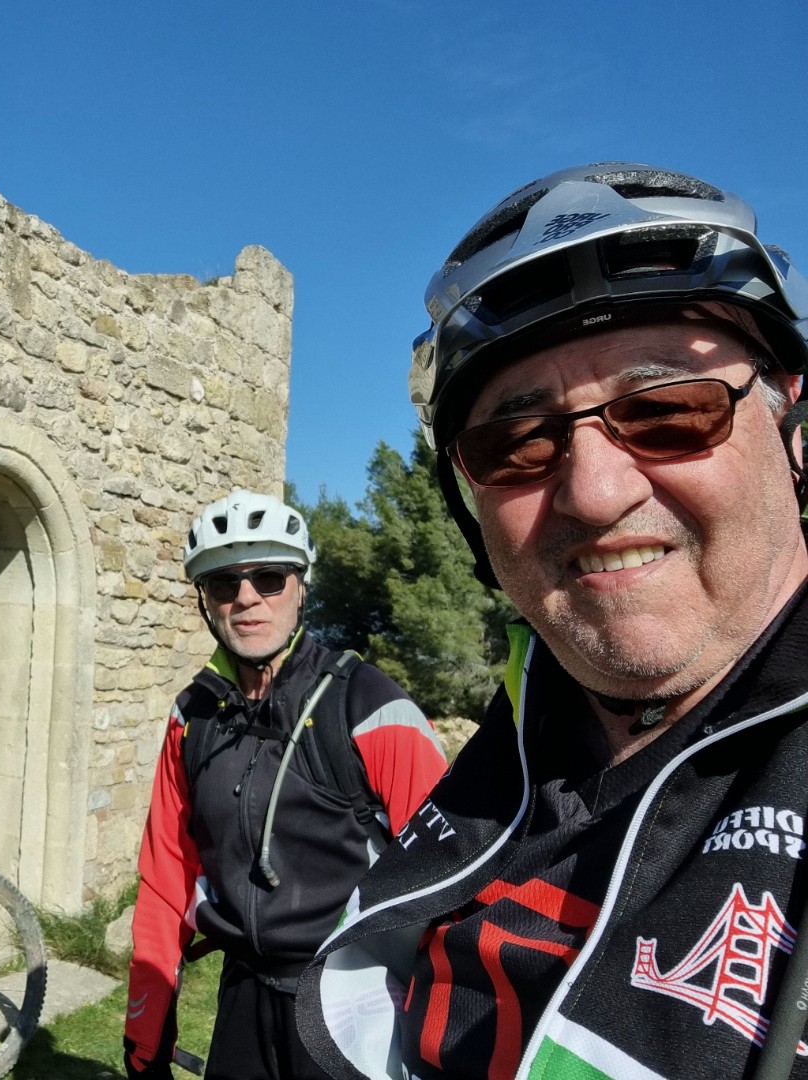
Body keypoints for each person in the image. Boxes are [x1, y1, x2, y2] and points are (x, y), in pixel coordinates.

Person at [296, 162, 808, 1080]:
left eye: (668, 410)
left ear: (792, 430)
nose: (594, 492)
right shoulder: (514, 753)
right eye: (518, 441)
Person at [123, 490, 447, 1080]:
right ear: (206, 601)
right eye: (224, 583)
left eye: (269, 578)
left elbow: (451, 880)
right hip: (243, 995)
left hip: (355, 998)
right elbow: (167, 876)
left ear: (300, 587)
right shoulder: (192, 717)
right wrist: (146, 1034)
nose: (246, 597)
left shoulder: (368, 704)